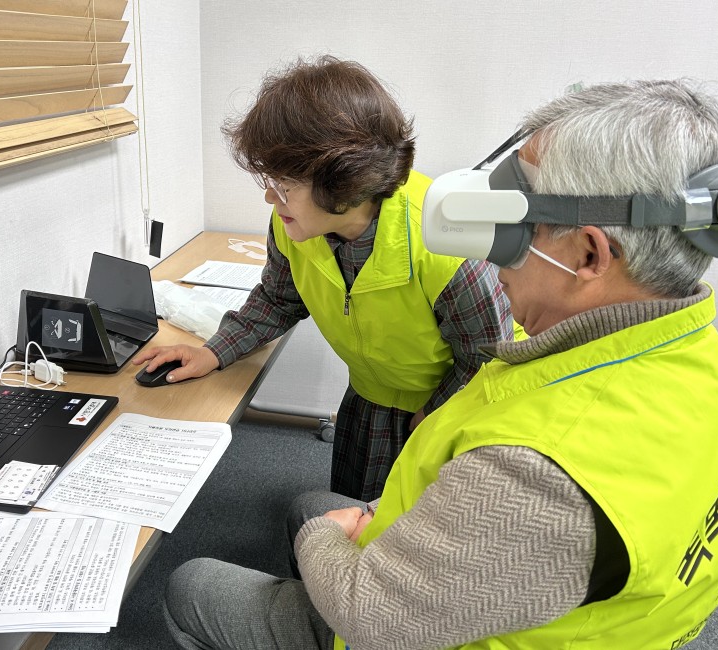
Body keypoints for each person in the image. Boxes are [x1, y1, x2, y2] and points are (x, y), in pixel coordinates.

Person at [163, 79, 718, 649]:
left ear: (588, 254)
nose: (492, 259)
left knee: (223, 568)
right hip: (513, 580)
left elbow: (374, 614)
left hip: (406, 626)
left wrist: (327, 536)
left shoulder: (537, 473)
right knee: (310, 503)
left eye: (512, 229)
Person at [133, 56, 515, 501]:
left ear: (344, 181)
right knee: (348, 511)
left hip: (456, 400)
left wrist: (435, 416)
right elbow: (277, 301)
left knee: (415, 529)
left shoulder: (446, 242)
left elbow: (490, 356)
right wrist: (213, 353)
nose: (269, 196)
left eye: (284, 184)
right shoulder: (294, 225)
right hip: (372, 392)